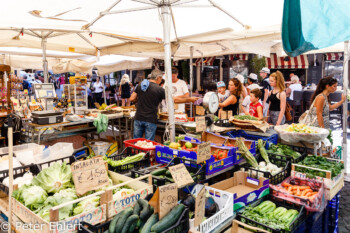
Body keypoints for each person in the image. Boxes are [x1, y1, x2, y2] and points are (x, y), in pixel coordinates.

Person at [130, 69, 198, 140]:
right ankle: (147, 152)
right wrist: (189, 99)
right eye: (161, 79)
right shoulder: (159, 90)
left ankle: (136, 151)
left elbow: (132, 98)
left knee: (136, 141)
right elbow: (173, 100)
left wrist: (141, 98)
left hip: (138, 117)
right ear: (158, 78)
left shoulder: (141, 85)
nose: (161, 80)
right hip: (150, 119)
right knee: (148, 143)